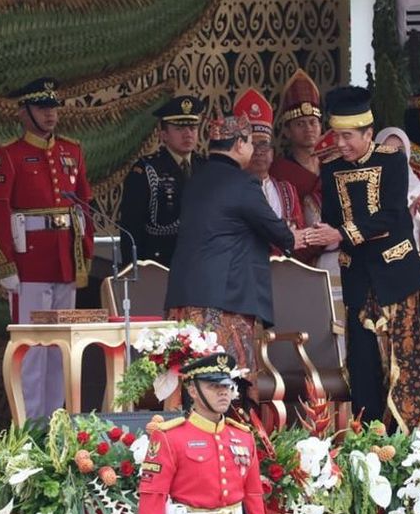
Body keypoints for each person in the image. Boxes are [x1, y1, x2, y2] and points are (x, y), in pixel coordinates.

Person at [305, 86, 420, 431]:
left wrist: (342, 234)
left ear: (368, 133)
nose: (341, 144)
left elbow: (391, 216)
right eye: (337, 136)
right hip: (357, 275)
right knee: (362, 360)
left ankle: (407, 440)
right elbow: (332, 218)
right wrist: (318, 230)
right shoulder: (330, 169)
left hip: (395, 273)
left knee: (402, 360)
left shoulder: (392, 161)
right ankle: (368, 437)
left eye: (348, 137)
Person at [164, 113, 300, 408]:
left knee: (191, 382)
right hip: (224, 301)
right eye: (251, 142)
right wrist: (293, 237)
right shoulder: (242, 184)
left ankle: (189, 446)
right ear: (239, 144)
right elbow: (275, 229)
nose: (253, 149)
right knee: (226, 384)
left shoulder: (195, 180)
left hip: (185, 298)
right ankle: (228, 449)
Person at [0, 78, 94, 420]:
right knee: (32, 350)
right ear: (24, 112)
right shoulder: (8, 155)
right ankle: (30, 425)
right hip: (29, 262)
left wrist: (85, 253)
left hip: (65, 260)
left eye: (53, 107)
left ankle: (55, 421)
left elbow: (84, 205)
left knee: (62, 348)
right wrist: (6, 265)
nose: (50, 114)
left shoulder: (71, 150)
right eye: (42, 108)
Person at [137, 352, 272, 514]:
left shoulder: (242, 436)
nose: (223, 392)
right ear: (193, 391)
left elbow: (254, 505)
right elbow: (151, 507)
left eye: (227, 386)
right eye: (213, 386)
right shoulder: (170, 438)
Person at [119, 94, 206, 266]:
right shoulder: (146, 170)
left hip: (200, 263)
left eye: (192, 127)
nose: (188, 134)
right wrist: (133, 268)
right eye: (180, 129)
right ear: (163, 134)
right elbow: (131, 227)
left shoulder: (206, 167)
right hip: (159, 264)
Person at [234, 88, 311, 260]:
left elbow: (300, 238)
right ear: (240, 149)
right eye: (252, 145)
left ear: (272, 151)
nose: (259, 152)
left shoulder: (287, 190)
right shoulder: (230, 190)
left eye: (263, 145)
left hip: (284, 274)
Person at [374, 127, 420, 255]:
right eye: (386, 150)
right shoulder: (369, 188)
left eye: (400, 150)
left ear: (407, 152)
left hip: (413, 266)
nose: (394, 154)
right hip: (376, 264)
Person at [270, 69, 325, 225]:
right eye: (300, 124)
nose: (308, 128)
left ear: (321, 126)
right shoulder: (279, 170)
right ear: (287, 131)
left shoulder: (332, 163)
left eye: (313, 122)